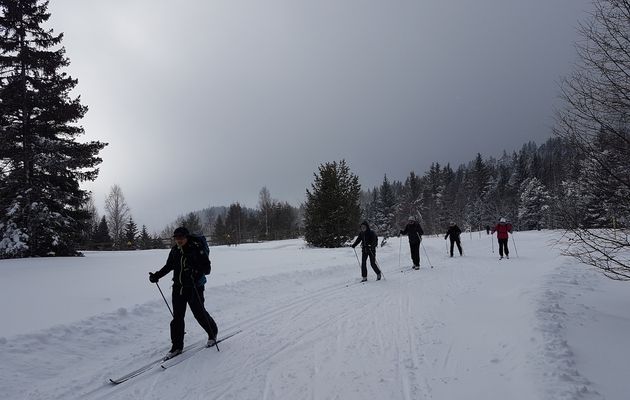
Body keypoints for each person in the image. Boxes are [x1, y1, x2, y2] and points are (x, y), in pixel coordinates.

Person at [149, 227, 218, 359]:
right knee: (177, 318)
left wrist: (195, 271)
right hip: (178, 288)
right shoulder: (175, 250)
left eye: (181, 237)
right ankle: (176, 347)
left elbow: (207, 269)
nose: (179, 240)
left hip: (194, 287)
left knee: (199, 313)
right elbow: (169, 266)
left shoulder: (196, 248)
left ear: (187, 237)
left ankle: (212, 332)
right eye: (176, 238)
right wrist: (157, 275)